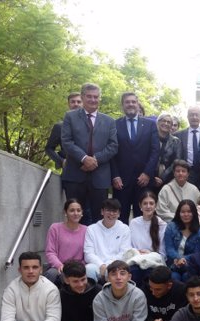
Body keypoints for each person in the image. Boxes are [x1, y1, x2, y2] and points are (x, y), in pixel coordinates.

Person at [61, 83, 118, 224]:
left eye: (96, 97)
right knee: (74, 216)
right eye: (89, 96)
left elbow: (113, 146)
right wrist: (84, 158)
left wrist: (95, 160)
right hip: (75, 175)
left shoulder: (109, 121)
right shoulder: (70, 117)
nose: (93, 100)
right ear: (82, 97)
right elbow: (66, 142)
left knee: (99, 219)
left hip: (100, 178)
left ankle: (96, 247)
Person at [110, 92, 160, 224]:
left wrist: (147, 173)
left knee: (143, 218)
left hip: (143, 180)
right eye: (127, 102)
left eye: (133, 101)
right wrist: (115, 175)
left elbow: (155, 151)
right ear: (123, 105)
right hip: (121, 181)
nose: (130, 104)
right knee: (120, 218)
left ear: (138, 104)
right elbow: (112, 152)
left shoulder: (150, 125)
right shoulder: (114, 125)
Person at [83, 198, 132, 282]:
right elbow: (88, 253)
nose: (111, 214)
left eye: (114, 211)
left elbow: (124, 252)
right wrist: (101, 265)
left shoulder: (125, 229)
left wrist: (109, 266)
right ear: (102, 212)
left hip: (117, 265)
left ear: (119, 214)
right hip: (97, 265)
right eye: (108, 210)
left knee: (120, 272)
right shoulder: (91, 229)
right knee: (89, 270)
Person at [44, 198, 87, 286]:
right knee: (51, 274)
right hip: (59, 266)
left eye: (78, 210)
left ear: (82, 212)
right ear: (65, 212)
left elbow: (88, 253)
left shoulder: (87, 230)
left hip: (79, 267)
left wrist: (79, 267)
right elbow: (50, 252)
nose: (75, 213)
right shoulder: (55, 228)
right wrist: (59, 265)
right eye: (72, 210)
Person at [129, 191, 167, 284]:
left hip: (154, 261)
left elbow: (163, 253)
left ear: (155, 206)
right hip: (136, 260)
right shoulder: (134, 223)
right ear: (140, 206)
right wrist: (138, 253)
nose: (148, 206)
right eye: (145, 203)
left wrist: (149, 253)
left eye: (151, 203)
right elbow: (130, 245)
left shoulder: (162, 224)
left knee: (150, 274)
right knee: (134, 272)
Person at [164, 200, 200, 281]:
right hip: (173, 264)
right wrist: (178, 258)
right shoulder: (171, 227)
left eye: (189, 212)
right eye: (183, 212)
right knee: (174, 278)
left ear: (194, 213)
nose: (186, 214)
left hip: (191, 265)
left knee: (187, 277)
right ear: (178, 213)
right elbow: (169, 248)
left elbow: (198, 254)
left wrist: (183, 260)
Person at [45, 92, 83, 170]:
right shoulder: (59, 127)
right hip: (70, 172)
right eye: (73, 102)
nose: (76, 104)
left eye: (79, 102)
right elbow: (48, 149)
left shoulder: (92, 125)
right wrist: (61, 161)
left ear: (83, 104)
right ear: (68, 104)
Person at [174, 106, 200, 188]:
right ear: (187, 117)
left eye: (196, 115)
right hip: (186, 172)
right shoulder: (178, 135)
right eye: (191, 115)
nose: (194, 117)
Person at [155, 113, 183, 187]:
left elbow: (176, 161)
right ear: (158, 122)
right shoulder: (150, 138)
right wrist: (152, 176)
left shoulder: (176, 141)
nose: (166, 123)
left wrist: (163, 177)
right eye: (163, 121)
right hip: (149, 177)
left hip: (169, 179)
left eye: (169, 122)